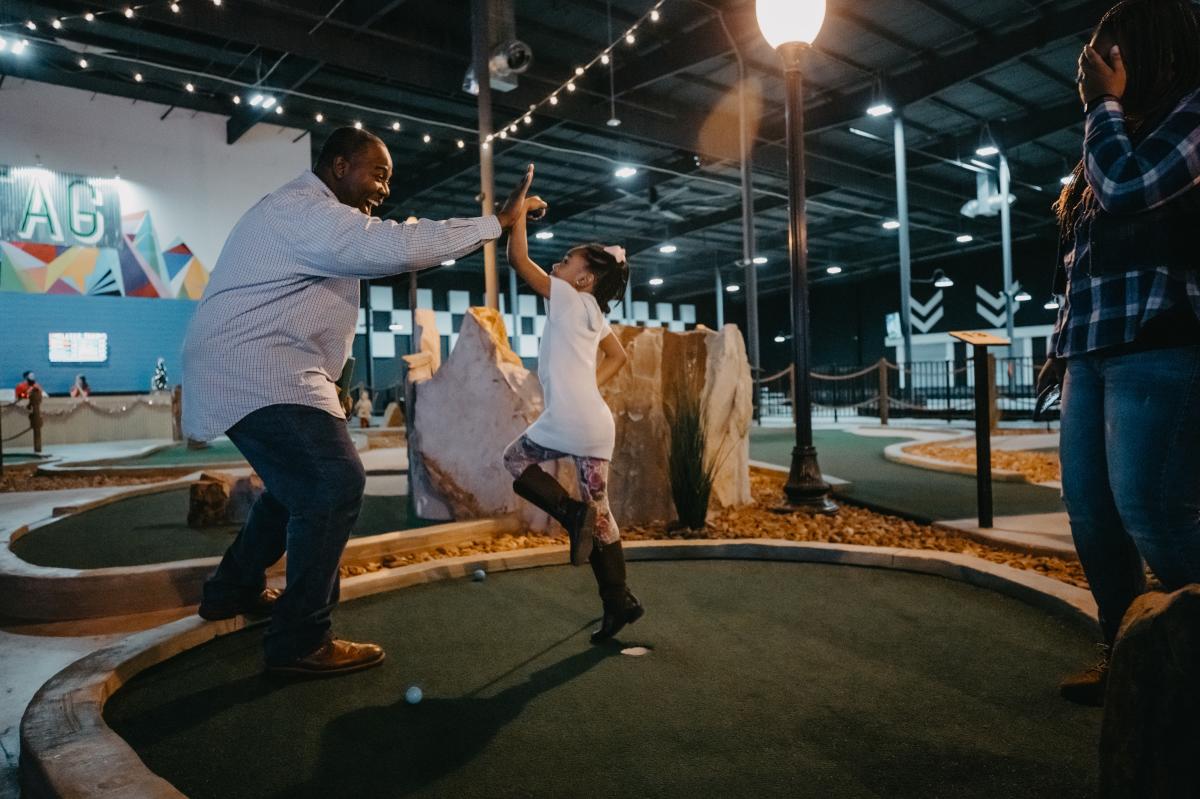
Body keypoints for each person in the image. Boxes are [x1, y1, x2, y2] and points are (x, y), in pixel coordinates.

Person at [182, 127, 539, 677]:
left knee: (293, 486)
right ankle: (299, 639)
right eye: (378, 174)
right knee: (333, 483)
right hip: (259, 369)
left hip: (258, 366)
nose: (383, 190)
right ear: (340, 165)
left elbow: (315, 314)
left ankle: (231, 589)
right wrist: (494, 225)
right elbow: (392, 245)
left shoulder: (307, 216)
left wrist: (338, 385)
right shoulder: (305, 211)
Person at [1039, 0, 1200, 706]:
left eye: (1109, 54)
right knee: (1092, 512)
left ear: (1154, 52)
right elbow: (1083, 257)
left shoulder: (1192, 114)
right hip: (1093, 348)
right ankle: (1126, 654)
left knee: (1153, 509)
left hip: (1161, 339)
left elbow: (1132, 192)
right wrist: (1060, 347)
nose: (1093, 67)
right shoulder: (1113, 136)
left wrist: (1100, 108)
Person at [501, 187, 641, 644]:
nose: (558, 265)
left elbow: (519, 261)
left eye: (565, 261)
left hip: (574, 420)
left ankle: (568, 513)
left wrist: (518, 211)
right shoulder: (593, 309)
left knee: (516, 461)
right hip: (593, 421)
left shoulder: (565, 296)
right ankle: (618, 602)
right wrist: (584, 386)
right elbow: (619, 357)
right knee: (602, 517)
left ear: (582, 280)